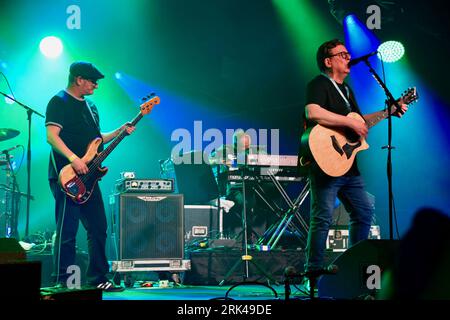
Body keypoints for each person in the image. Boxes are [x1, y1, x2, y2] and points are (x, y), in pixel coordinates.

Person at [299, 39, 408, 276]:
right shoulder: (319, 83)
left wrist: (390, 110)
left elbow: (360, 121)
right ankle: (313, 273)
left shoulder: (347, 90)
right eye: (342, 55)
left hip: (349, 165)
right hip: (325, 164)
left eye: (348, 54)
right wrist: (349, 121)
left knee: (364, 213)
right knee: (322, 218)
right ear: (328, 61)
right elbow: (313, 112)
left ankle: (353, 268)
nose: (348, 57)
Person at [45, 61, 135, 291]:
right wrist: (74, 159)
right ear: (78, 80)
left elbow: (97, 138)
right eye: (92, 80)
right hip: (67, 175)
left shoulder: (91, 106)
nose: (96, 85)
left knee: (98, 227)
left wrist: (119, 132)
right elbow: (52, 137)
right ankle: (62, 280)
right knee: (67, 229)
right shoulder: (58, 101)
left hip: (90, 177)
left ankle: (98, 278)